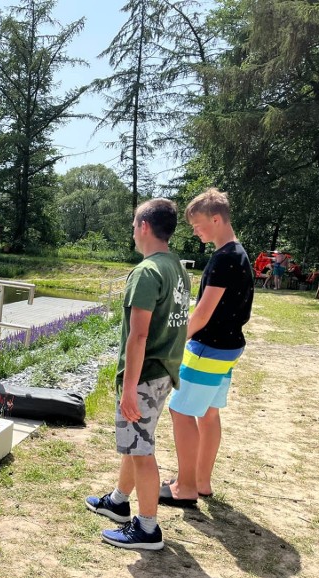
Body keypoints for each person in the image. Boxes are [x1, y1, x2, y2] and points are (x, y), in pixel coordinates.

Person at [85, 199, 191, 550]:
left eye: (134, 225)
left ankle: (147, 528)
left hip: (143, 376)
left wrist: (129, 387)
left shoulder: (146, 272)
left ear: (144, 227)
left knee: (141, 451)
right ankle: (118, 502)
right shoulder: (176, 266)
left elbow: (139, 334)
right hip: (163, 372)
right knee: (135, 443)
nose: (132, 231)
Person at [161, 188, 254, 505]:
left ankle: (184, 488)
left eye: (198, 225)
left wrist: (173, 341)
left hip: (208, 349)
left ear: (216, 219)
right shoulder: (240, 254)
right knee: (209, 413)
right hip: (229, 349)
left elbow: (201, 314)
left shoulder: (223, 259)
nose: (195, 231)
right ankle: (200, 481)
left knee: (180, 411)